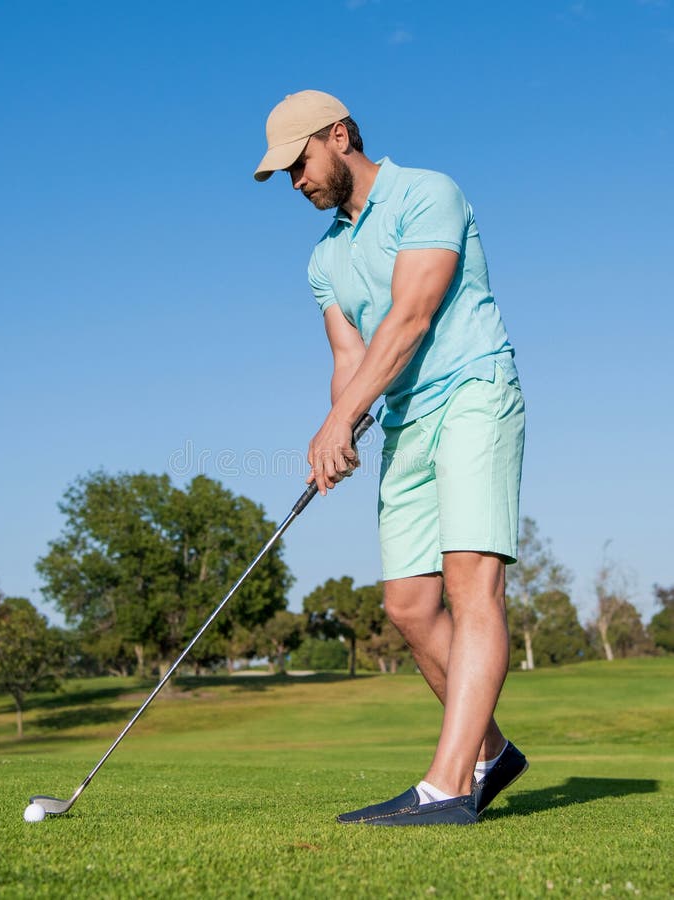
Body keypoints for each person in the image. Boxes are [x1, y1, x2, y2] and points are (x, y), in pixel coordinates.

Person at [254, 90, 528, 826]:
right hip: (407, 418)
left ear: (338, 136)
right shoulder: (324, 257)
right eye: (285, 174)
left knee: (472, 585)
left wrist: (342, 418)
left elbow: (411, 316)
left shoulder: (427, 193)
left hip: (473, 389)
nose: (297, 181)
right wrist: (334, 431)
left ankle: (448, 784)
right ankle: (491, 751)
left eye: (300, 162)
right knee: (408, 605)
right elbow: (350, 355)